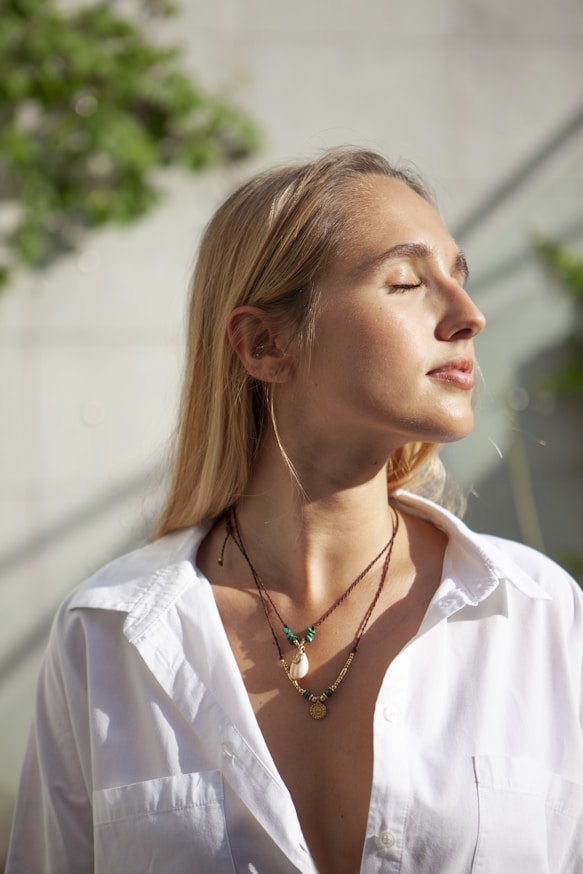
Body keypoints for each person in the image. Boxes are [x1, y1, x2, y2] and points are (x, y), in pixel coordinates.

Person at [6, 148, 583, 874]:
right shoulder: (107, 634)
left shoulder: (538, 616)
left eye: (458, 279)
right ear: (265, 344)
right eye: (406, 283)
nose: (469, 316)